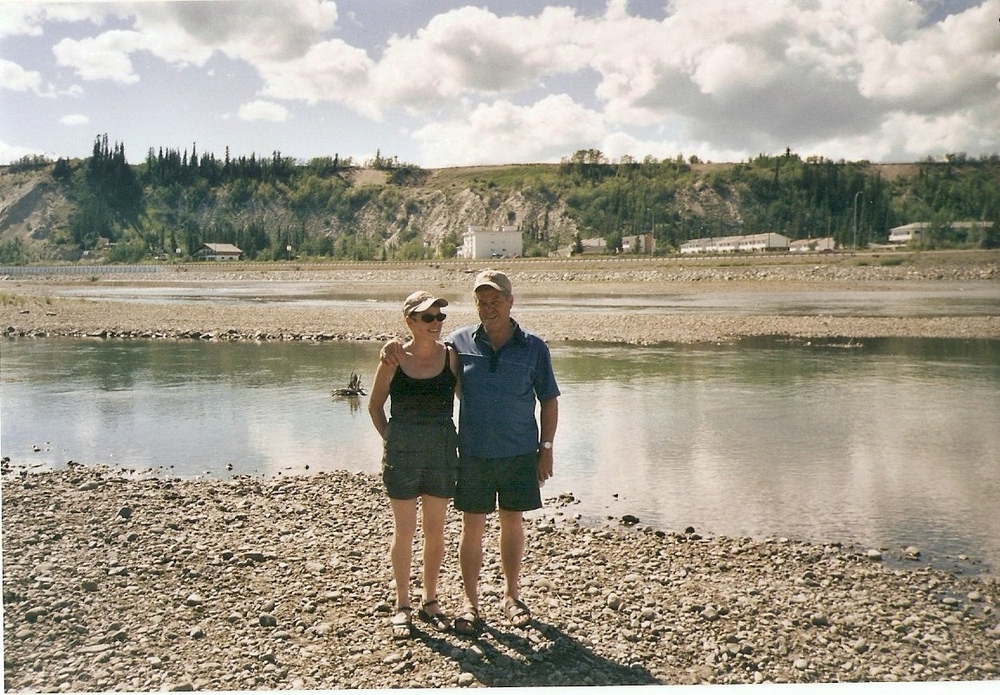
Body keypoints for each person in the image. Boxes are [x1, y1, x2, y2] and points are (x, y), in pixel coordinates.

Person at [382, 269, 560, 634]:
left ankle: (511, 596)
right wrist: (390, 346)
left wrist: (546, 448)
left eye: (495, 300)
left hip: (519, 451)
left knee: (512, 521)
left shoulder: (534, 347)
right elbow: (420, 347)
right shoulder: (459, 343)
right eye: (482, 301)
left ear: (510, 301)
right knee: (472, 526)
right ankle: (470, 603)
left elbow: (549, 400)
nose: (488, 307)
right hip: (473, 452)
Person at [368, 290, 461, 639]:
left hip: (440, 452)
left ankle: (430, 599)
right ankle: (403, 603)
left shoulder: (451, 357)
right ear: (410, 321)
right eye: (427, 318)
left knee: (435, 530)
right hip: (403, 455)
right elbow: (375, 406)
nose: (435, 323)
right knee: (404, 530)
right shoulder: (392, 358)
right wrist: (391, 439)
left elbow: (468, 398)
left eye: (440, 317)